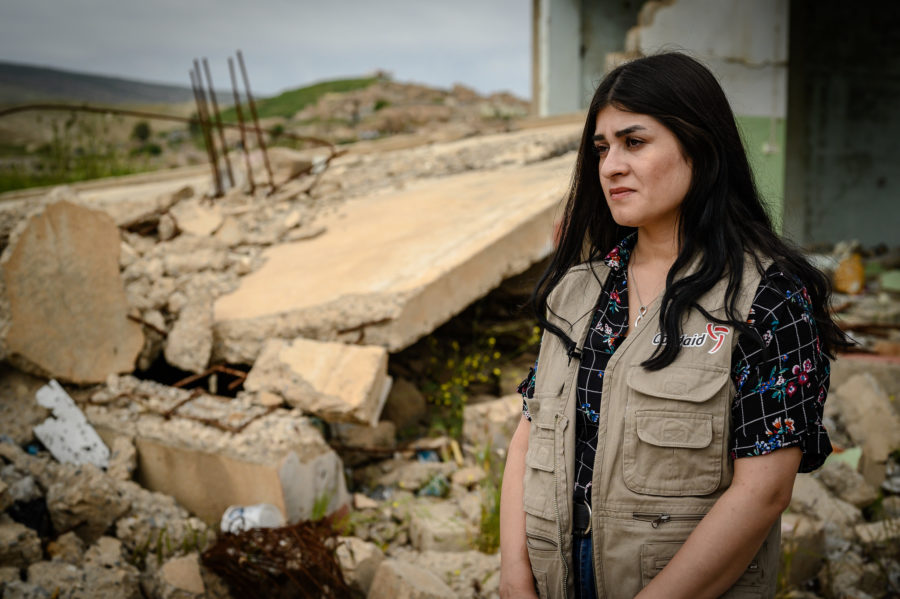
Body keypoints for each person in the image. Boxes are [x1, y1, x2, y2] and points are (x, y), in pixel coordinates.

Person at [498, 52, 850, 599]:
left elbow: (763, 493)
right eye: (601, 147)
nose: (611, 164)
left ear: (699, 146)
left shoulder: (768, 299)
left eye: (634, 142)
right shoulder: (578, 290)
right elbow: (529, 434)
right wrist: (514, 577)